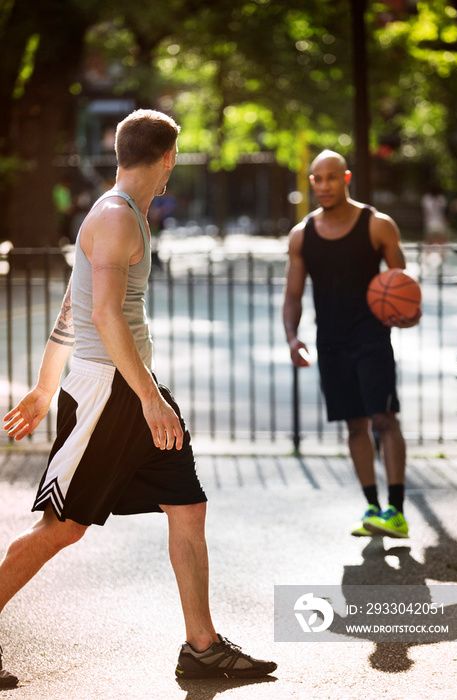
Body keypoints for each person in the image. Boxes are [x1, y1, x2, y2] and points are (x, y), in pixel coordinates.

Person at [1, 109, 276, 685]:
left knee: (187, 506)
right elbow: (99, 313)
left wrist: (47, 385)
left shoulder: (120, 214)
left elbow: (74, 306)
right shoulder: (117, 216)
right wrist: (148, 398)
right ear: (168, 158)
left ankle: (201, 645)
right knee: (62, 528)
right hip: (111, 394)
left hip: (132, 389)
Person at [282, 150, 421, 540]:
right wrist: (293, 338)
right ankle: (372, 507)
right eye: (317, 179)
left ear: (345, 178)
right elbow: (292, 296)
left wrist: (410, 314)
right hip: (331, 341)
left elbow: (404, 287)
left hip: (372, 337)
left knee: (383, 419)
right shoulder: (302, 235)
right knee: (354, 425)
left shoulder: (378, 226)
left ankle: (397, 509)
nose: (324, 185)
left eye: (331, 178)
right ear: (311, 183)